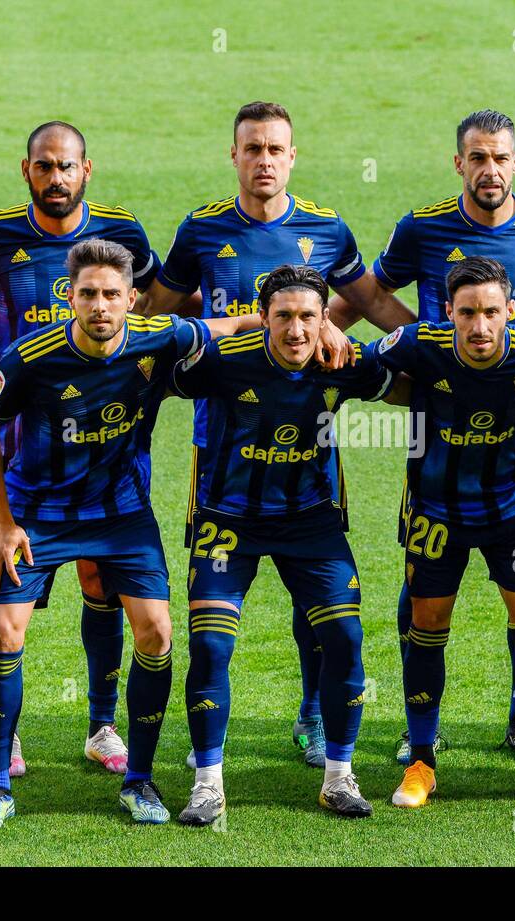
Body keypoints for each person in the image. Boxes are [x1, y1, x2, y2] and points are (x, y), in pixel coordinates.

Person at [139, 102, 411, 769]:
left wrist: (432, 344)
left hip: (310, 432)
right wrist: (222, 331)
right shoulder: (202, 230)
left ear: (293, 157)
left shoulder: (325, 227)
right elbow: (161, 315)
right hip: (224, 439)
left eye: (275, 149)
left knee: (313, 591)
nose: (264, 160)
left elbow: (369, 301)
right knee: (218, 611)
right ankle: (208, 753)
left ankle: (314, 714)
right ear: (234, 156)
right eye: (252, 148)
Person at [0, 238, 240, 831]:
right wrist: (5, 523)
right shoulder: (28, 357)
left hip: (120, 515)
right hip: (38, 513)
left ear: (131, 300)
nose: (99, 305)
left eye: (111, 294)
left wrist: (305, 325)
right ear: (70, 296)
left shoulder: (159, 337)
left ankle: (139, 779)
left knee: (158, 632)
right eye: (87, 293)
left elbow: (228, 324)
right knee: (4, 632)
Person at [0, 120, 166, 776]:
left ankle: (103, 725)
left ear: (88, 169)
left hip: (107, 452)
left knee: (100, 585)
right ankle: (8, 735)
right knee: (10, 584)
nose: (57, 178)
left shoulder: (123, 235)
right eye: (45, 166)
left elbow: (158, 311)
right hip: (20, 450)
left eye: (68, 166)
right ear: (27, 170)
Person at [168, 265, 396, 825]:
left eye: (309, 318)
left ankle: (339, 778)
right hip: (228, 521)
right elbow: (158, 349)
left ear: (327, 320)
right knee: (212, 648)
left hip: (310, 523)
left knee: (344, 636)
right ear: (263, 318)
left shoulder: (342, 360)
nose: (297, 331)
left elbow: (414, 378)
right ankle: (207, 785)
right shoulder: (224, 361)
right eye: (283, 317)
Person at [375, 257, 515, 810]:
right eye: (467, 312)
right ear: (448, 313)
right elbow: (349, 360)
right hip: (436, 512)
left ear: (510, 312)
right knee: (426, 621)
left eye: (491, 311)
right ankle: (421, 760)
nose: (479, 325)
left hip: (514, 512)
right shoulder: (416, 343)